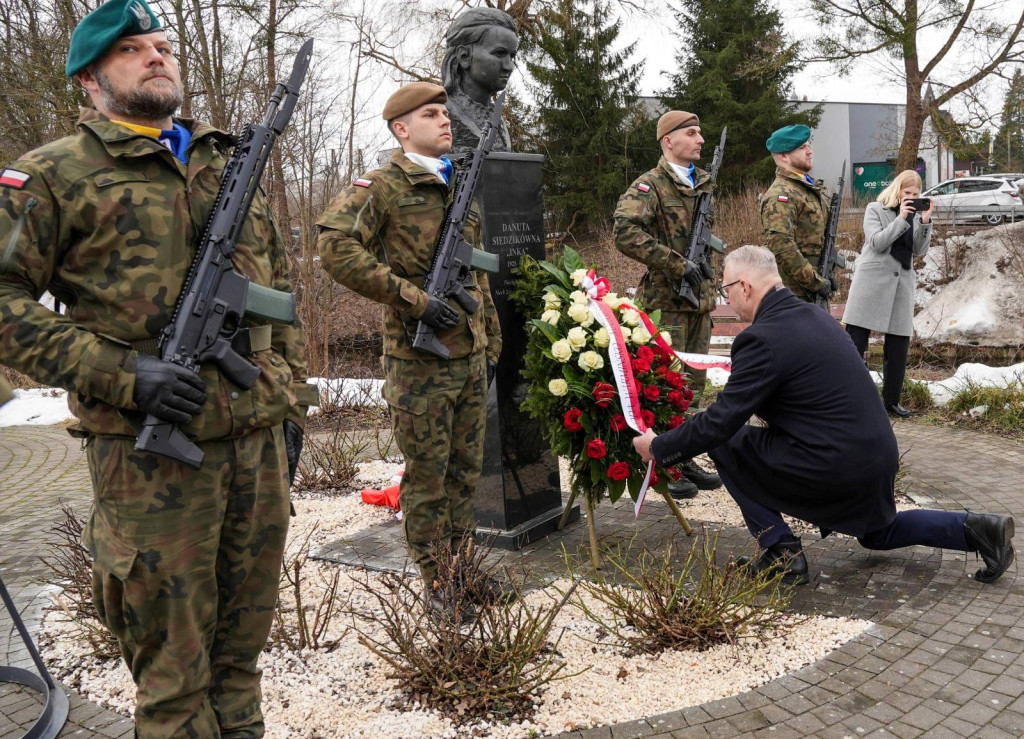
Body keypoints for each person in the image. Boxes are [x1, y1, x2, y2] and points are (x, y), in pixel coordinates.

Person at [0, 1, 317, 735]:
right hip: (151, 465)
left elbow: (275, 299)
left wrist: (290, 403)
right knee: (175, 686)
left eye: (163, 45)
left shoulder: (225, 162)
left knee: (241, 666)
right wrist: (120, 372)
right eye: (131, 48)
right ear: (89, 79)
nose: (156, 55)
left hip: (257, 450)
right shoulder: (53, 174)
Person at [632, 245, 1014, 586]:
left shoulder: (761, 337)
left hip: (833, 462)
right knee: (877, 534)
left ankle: (781, 553)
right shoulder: (815, 317)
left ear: (745, 287)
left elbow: (721, 422)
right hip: (875, 457)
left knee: (728, 442)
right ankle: (979, 529)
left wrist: (659, 447)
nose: (727, 300)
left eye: (726, 290)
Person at [316, 82, 502, 615]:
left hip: (469, 357)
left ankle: (462, 571)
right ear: (401, 129)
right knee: (428, 479)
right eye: (431, 114)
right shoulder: (382, 186)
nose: (445, 121)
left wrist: (491, 341)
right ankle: (438, 583)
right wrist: (413, 300)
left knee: (465, 475)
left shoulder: (456, 185)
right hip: (419, 363)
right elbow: (334, 246)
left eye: (446, 113)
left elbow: (475, 275)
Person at [613, 110, 722, 500]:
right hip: (666, 303)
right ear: (668, 141)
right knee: (664, 386)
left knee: (692, 387)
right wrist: (676, 262)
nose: (700, 140)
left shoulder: (703, 184)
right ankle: (663, 461)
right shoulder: (650, 185)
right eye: (691, 133)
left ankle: (684, 455)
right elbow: (624, 232)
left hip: (699, 302)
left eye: (700, 133)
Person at [843, 170, 934, 418]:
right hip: (871, 282)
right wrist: (902, 218)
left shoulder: (916, 215)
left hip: (901, 283)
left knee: (898, 347)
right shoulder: (875, 209)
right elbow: (877, 242)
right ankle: (847, 399)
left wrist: (925, 221)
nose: (911, 197)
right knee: (855, 344)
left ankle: (891, 402)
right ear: (897, 189)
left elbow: (919, 250)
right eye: (907, 192)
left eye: (916, 193)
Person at [760, 124, 836, 305]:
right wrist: (816, 282)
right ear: (783, 156)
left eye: (809, 146)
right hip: (796, 295)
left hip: (812, 290)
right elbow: (782, 247)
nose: (809, 151)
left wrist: (827, 272)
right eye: (802, 147)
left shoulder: (805, 189)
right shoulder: (781, 194)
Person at [441, 7, 518, 161]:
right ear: (464, 56)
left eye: (512, 56)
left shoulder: (499, 120)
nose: (509, 66)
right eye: (499, 53)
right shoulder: (442, 115)